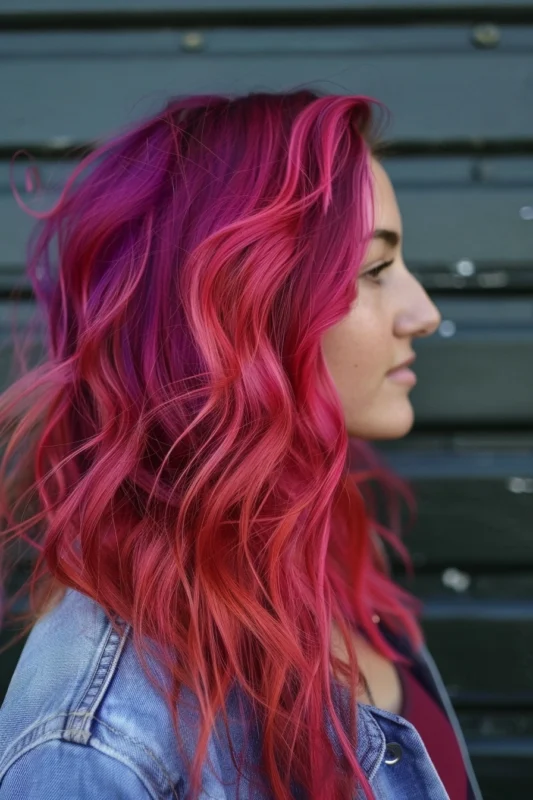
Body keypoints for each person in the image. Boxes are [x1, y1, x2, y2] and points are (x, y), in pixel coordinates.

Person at [0, 89, 483, 799]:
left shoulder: (324, 556)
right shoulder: (96, 742)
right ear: (240, 311)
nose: (424, 312)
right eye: (375, 271)